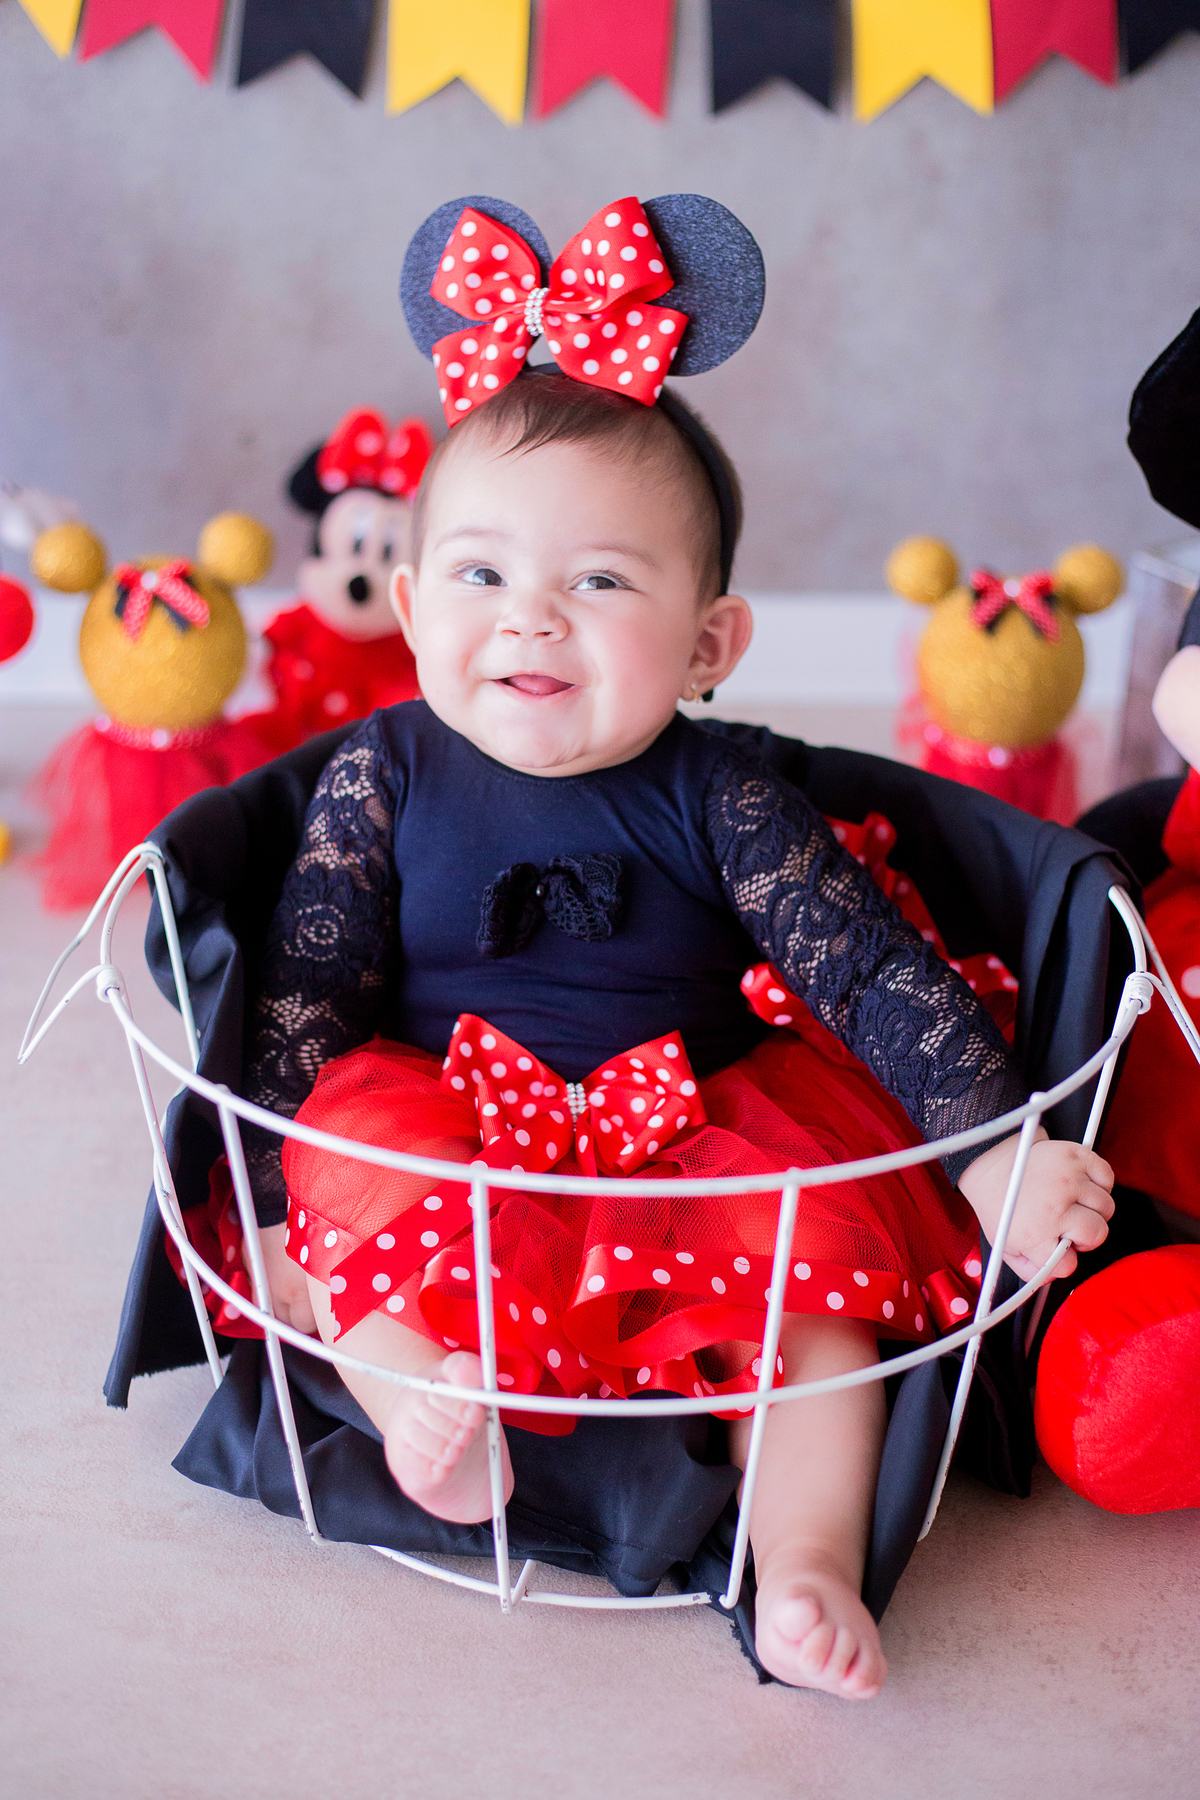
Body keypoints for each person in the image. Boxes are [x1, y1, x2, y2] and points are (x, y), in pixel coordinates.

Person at [235, 198, 1114, 1696]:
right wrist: (259, 1187)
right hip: (459, 1128)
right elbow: (312, 988)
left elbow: (871, 972)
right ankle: (431, 1409)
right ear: (409, 590)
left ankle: (810, 1557)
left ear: (711, 646)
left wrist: (992, 1156)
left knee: (824, 1308)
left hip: (699, 1132)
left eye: (598, 582)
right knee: (352, 1182)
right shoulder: (380, 770)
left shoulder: (726, 794)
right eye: (481, 573)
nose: (530, 622)